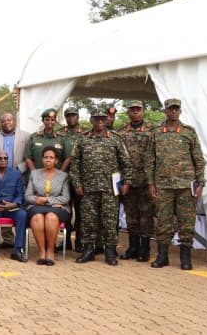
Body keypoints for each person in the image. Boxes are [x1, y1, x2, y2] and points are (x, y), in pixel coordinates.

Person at [148, 98, 205, 270]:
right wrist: (151, 184)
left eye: (176, 109)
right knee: (163, 223)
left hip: (186, 186)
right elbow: (150, 160)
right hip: (163, 186)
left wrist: (200, 182)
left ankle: (185, 259)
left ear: (180, 111)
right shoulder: (156, 132)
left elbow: (199, 159)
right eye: (170, 109)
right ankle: (162, 256)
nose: (173, 112)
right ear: (165, 111)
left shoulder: (189, 132)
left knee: (186, 223)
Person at [70, 107, 131, 266]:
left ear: (107, 120)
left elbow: (126, 163)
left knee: (109, 221)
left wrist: (126, 182)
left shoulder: (116, 139)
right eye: (96, 119)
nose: (100, 121)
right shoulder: (82, 139)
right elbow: (75, 164)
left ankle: (110, 251)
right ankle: (88, 249)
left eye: (102, 119)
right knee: (88, 221)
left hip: (110, 189)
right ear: (91, 120)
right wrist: (77, 183)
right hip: (88, 189)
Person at [117, 100, 156, 262]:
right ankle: (133, 247)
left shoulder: (152, 130)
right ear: (128, 112)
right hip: (128, 180)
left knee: (146, 216)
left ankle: (144, 249)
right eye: (132, 110)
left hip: (146, 180)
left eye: (138, 110)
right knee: (131, 215)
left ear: (143, 111)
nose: (135, 112)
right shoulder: (121, 132)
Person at [25, 147, 71, 266]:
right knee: (37, 218)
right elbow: (28, 196)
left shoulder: (63, 176)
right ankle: (42, 252)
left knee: (51, 217)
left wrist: (46, 200)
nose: (48, 160)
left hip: (58, 208)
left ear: (56, 160)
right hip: (36, 206)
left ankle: (50, 251)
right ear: (42, 159)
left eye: (51, 158)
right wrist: (38, 200)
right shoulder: (34, 174)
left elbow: (66, 198)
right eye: (46, 157)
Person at [58, 106, 85, 252]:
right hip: (64, 177)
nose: (71, 118)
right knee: (66, 211)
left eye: (73, 115)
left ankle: (80, 241)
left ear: (78, 117)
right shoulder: (60, 133)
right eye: (68, 116)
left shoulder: (86, 132)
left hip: (81, 178)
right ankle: (66, 241)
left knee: (81, 211)